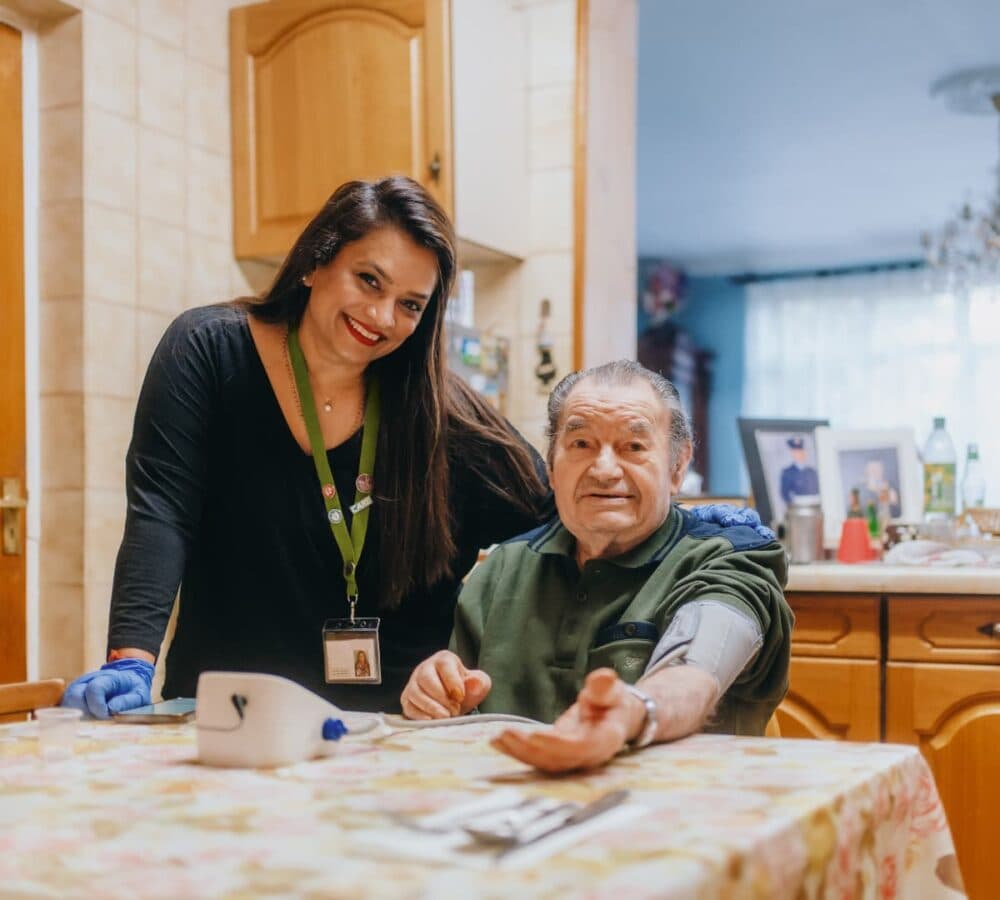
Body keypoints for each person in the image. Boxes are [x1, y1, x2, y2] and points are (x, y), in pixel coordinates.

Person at [61, 176, 552, 719]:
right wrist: (131, 660)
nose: (383, 317)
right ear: (315, 264)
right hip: (231, 716)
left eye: (410, 305)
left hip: (396, 730)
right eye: (369, 280)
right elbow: (161, 513)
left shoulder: (443, 412)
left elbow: (555, 521)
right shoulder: (208, 351)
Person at [401, 360, 793, 772]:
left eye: (634, 447)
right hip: (519, 816)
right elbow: (457, 708)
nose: (605, 470)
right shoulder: (503, 567)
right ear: (551, 466)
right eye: (581, 444)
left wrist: (633, 712)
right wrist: (434, 690)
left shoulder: (732, 555)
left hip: (676, 815)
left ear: (678, 467)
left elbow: (696, 669)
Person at [779, 435, 819, 506]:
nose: (799, 454)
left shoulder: (812, 471)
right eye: (796, 452)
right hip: (798, 506)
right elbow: (784, 493)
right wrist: (792, 505)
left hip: (815, 504)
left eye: (801, 451)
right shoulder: (787, 472)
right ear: (792, 454)